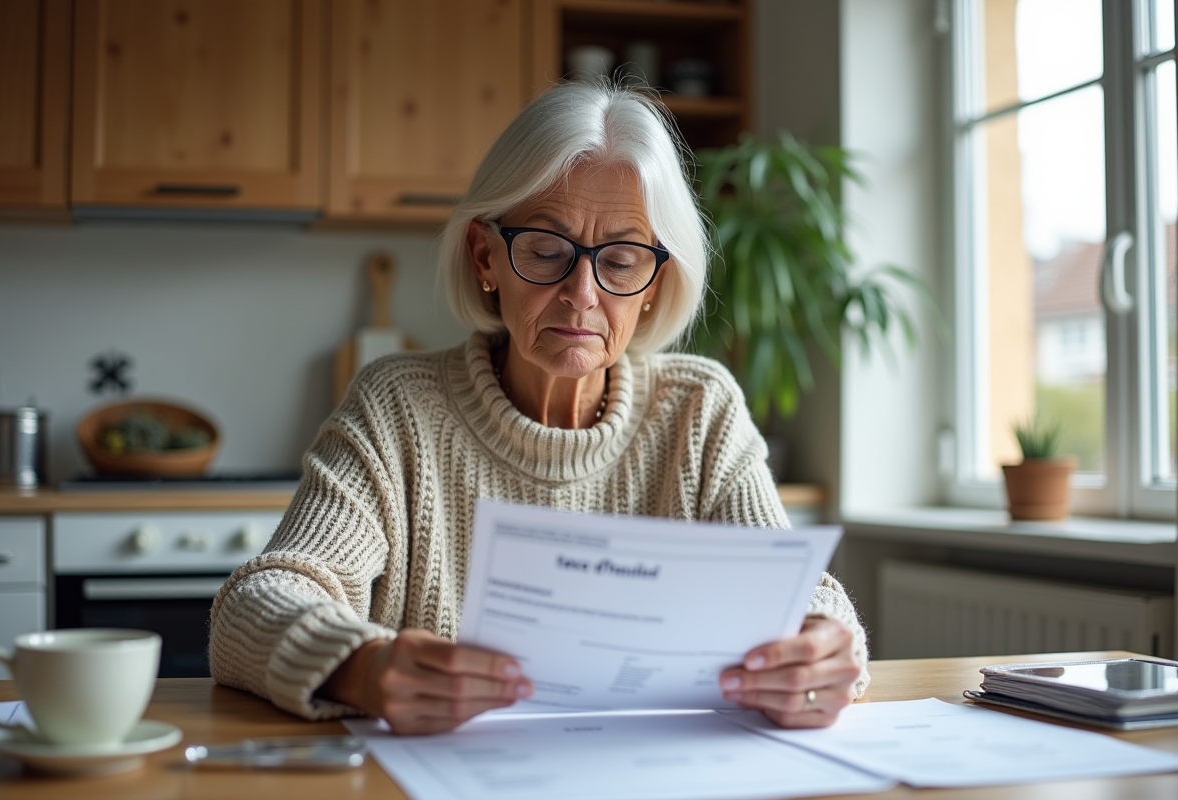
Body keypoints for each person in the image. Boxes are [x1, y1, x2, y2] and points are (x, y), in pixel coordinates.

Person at [209, 80, 869, 736]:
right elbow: (255, 603)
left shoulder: (700, 409)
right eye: (546, 251)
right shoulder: (396, 407)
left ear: (653, 285)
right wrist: (360, 666)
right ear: (484, 256)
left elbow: (799, 597)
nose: (581, 294)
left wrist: (821, 646)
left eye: (620, 260)